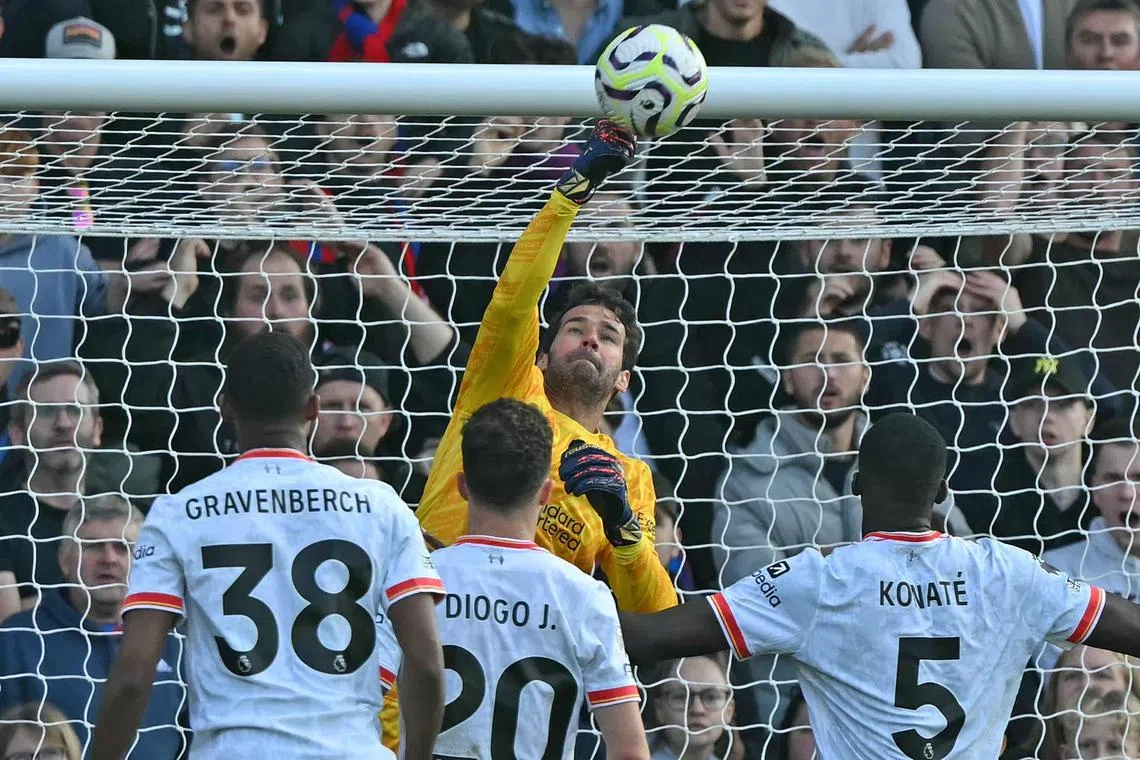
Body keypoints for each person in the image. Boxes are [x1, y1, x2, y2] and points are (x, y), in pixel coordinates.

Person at [619, 412, 1140, 758]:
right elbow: (1124, 624)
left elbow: (645, 639)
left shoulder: (817, 580)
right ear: (942, 492)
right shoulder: (1009, 572)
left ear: (859, 484)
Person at [88, 331, 446, 760]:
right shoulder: (382, 507)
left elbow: (132, 678)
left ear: (225, 407)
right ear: (313, 409)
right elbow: (425, 664)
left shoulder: (178, 513)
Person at [416, 120, 675, 614]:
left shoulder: (630, 478)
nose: (591, 337)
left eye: (609, 336)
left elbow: (657, 612)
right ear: (540, 355)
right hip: (437, 618)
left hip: (534, 659)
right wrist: (571, 195)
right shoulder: (506, 388)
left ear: (624, 379)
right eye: (574, 328)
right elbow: (515, 300)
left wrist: (624, 531)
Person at [429, 397, 648, 759]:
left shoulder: (419, 578)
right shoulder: (584, 595)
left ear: (463, 486)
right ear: (546, 493)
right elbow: (631, 752)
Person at [0, 497, 186, 758]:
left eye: (122, 547)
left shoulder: (177, 642)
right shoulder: (18, 639)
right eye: (93, 547)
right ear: (65, 560)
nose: (109, 558)